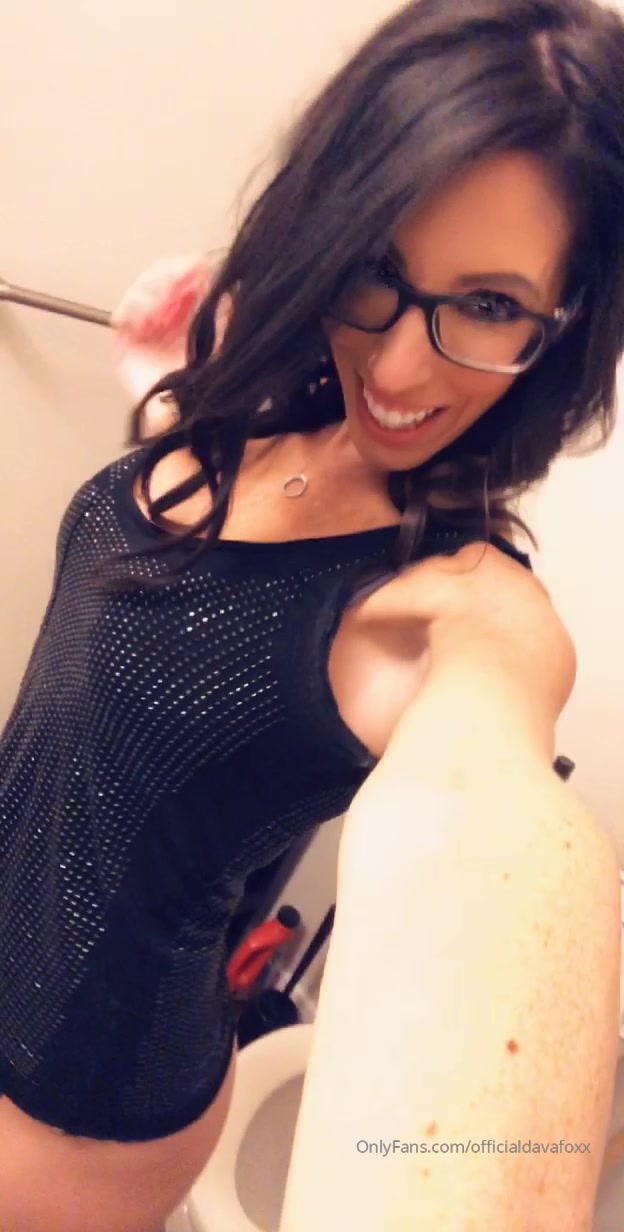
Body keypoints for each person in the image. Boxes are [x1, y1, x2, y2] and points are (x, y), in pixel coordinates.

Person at [1, 0, 623, 1228]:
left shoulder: (454, 612)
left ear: (562, 328)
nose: (397, 369)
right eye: (376, 270)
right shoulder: (262, 418)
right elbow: (186, 593)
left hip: (73, 1122)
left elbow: (497, 815)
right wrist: (169, 400)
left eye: (488, 303)